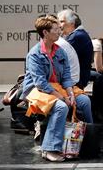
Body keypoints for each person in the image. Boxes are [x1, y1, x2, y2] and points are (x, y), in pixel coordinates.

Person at [21, 15, 93, 162]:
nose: (59, 32)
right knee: (61, 107)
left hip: (58, 88)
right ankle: (49, 148)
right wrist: (61, 97)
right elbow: (40, 83)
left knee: (84, 100)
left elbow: (66, 77)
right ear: (45, 32)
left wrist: (70, 93)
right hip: (37, 90)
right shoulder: (34, 54)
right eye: (55, 29)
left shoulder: (60, 51)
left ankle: (88, 140)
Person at [58, 9, 93, 89]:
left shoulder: (76, 37)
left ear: (72, 23)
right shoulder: (79, 34)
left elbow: (59, 54)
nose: (59, 25)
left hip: (76, 80)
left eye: (62, 21)